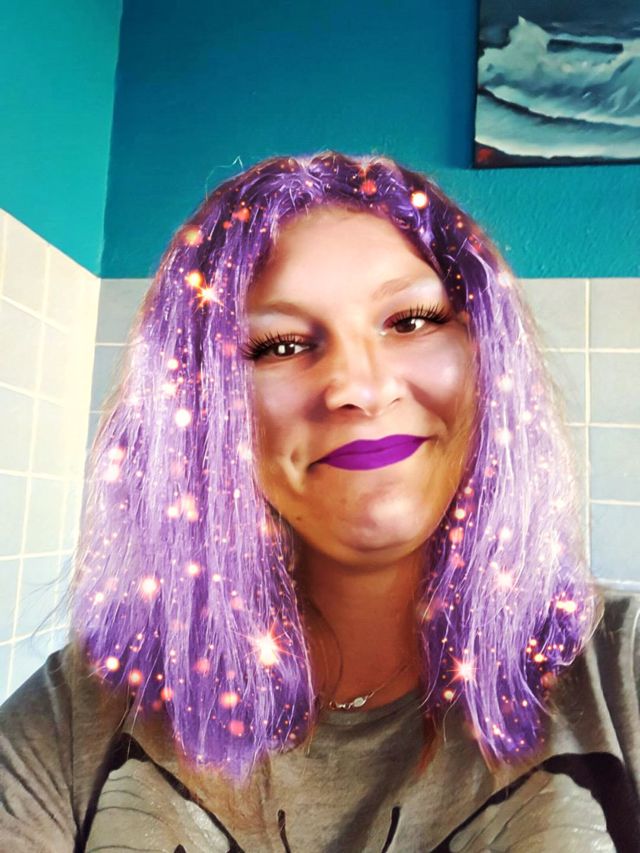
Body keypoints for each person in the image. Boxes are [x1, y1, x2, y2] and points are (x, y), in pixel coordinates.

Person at [1, 150, 639, 852]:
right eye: (279, 345)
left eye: (412, 320)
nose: (360, 388)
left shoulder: (623, 667)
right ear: (201, 405)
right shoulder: (78, 713)